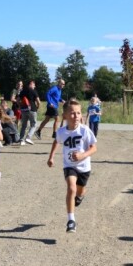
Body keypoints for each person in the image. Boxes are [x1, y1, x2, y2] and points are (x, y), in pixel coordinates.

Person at [47, 100, 97, 233]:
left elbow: (94, 148)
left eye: (78, 113)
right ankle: (71, 221)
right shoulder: (61, 131)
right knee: (71, 188)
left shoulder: (85, 130)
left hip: (84, 166)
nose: (76, 116)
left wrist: (83, 155)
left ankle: (80, 197)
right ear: (65, 116)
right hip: (69, 165)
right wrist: (51, 157)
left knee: (80, 192)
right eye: (72, 113)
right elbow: (56, 142)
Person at [18, 80, 41, 145]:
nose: (35, 86)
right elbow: (38, 101)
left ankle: (21, 140)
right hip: (32, 109)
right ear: (31, 84)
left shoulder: (23, 91)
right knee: (33, 124)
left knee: (24, 125)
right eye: (34, 85)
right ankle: (28, 137)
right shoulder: (33, 91)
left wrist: (20, 106)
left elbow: (17, 100)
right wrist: (37, 107)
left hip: (23, 109)